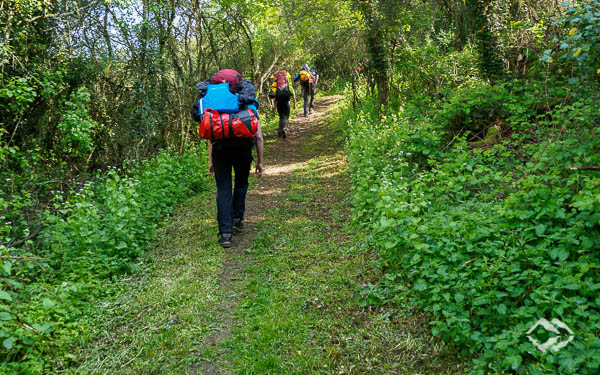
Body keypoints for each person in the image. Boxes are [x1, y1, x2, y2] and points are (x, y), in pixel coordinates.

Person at [192, 69, 264, 248]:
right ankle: (237, 219)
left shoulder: (213, 103)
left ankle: (225, 234)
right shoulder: (246, 99)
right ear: (237, 84)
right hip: (243, 147)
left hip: (219, 149)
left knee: (223, 189)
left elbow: (211, 133)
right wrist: (260, 161)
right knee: (241, 183)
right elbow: (259, 135)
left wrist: (210, 160)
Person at [268, 69, 296, 138]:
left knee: (281, 116)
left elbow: (274, 97)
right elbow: (293, 93)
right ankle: (284, 129)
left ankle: (279, 131)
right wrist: (295, 103)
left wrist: (274, 106)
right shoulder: (287, 84)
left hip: (279, 102)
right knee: (286, 115)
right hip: (287, 101)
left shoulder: (276, 84)